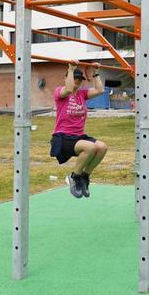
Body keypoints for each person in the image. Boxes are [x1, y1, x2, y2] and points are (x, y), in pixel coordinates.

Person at [51, 63, 109, 198]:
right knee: (90, 147)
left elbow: (100, 90)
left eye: (79, 79)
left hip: (79, 137)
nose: (77, 81)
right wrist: (71, 69)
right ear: (66, 78)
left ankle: (84, 177)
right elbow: (69, 88)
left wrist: (96, 72)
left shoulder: (82, 94)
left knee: (102, 147)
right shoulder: (60, 93)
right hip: (62, 137)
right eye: (74, 78)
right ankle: (73, 177)